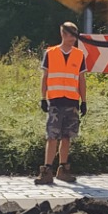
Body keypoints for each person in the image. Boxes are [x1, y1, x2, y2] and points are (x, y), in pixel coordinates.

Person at [37, 22, 87, 185]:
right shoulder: (50, 53)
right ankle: (46, 171)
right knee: (52, 137)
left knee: (67, 137)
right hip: (55, 101)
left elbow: (81, 79)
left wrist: (84, 101)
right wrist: (43, 98)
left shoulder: (79, 55)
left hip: (72, 101)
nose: (73, 38)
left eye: (75, 34)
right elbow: (45, 77)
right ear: (63, 34)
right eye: (70, 34)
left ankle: (63, 170)